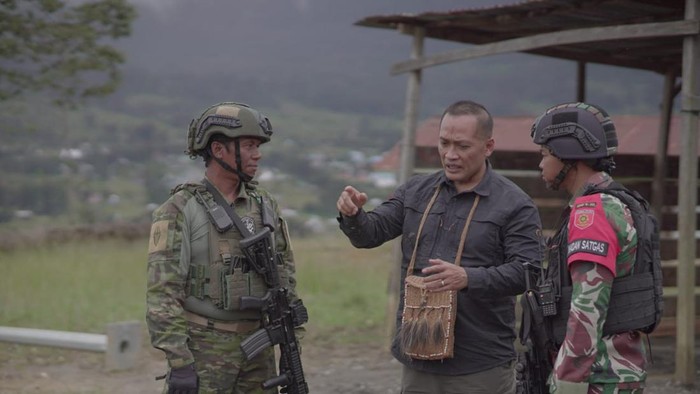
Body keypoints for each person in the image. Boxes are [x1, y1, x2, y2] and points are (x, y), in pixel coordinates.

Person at [336, 100, 542, 394]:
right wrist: (353, 215)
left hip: (480, 363)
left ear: (488, 146)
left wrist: (468, 278)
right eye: (444, 143)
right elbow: (370, 234)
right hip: (418, 355)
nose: (450, 155)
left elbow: (529, 272)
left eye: (462, 146)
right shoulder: (416, 191)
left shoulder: (515, 204)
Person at [146, 102, 302, 393]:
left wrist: (293, 345)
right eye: (249, 145)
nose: (258, 154)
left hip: (260, 348)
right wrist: (180, 362)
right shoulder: (180, 209)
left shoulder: (264, 205)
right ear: (218, 150)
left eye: (259, 146)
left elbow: (286, 277)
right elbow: (162, 293)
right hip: (205, 349)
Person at [529, 102, 649, 393]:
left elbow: (588, 305)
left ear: (569, 156)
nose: (541, 163)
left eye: (545, 154)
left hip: (597, 376)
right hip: (613, 369)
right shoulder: (613, 201)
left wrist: (569, 378)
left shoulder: (592, 212)